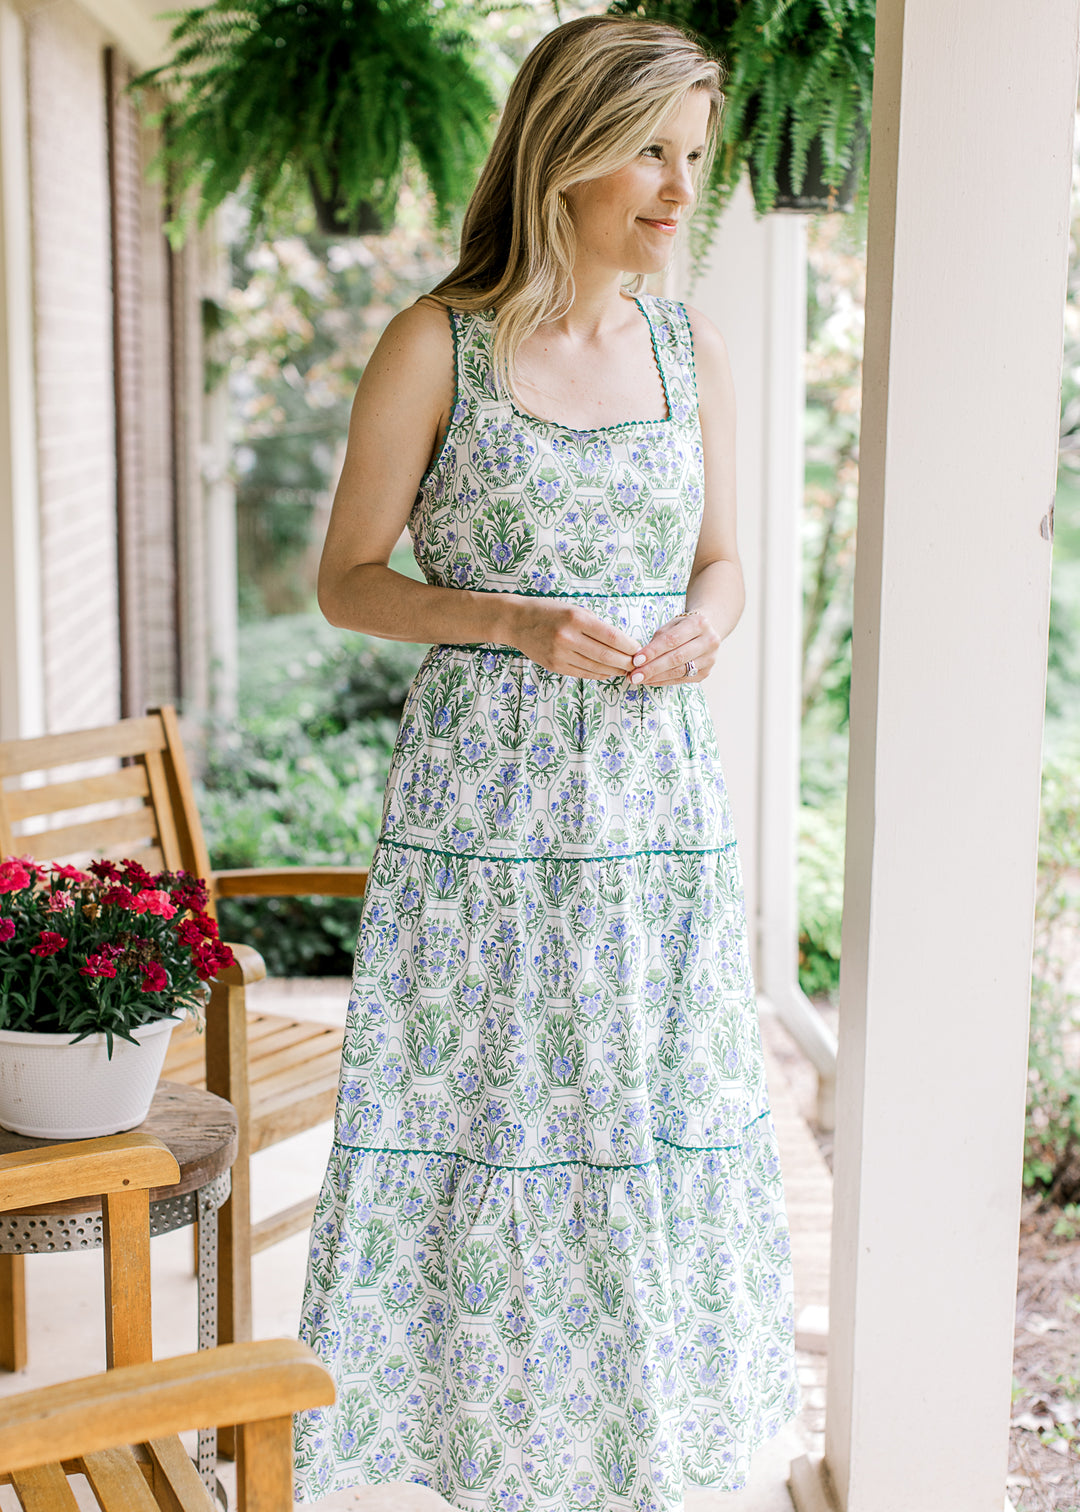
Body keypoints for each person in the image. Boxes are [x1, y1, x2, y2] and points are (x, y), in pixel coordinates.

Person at [293, 15, 799, 1509]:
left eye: (695, 155)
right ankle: (483, 1454)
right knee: (494, 1123)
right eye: (652, 147)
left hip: (653, 806)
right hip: (486, 810)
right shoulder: (435, 341)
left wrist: (707, 624)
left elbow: (720, 562)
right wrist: (509, 619)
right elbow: (349, 579)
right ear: (566, 147)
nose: (678, 187)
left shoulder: (685, 343)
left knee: (642, 1122)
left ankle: (631, 1456)